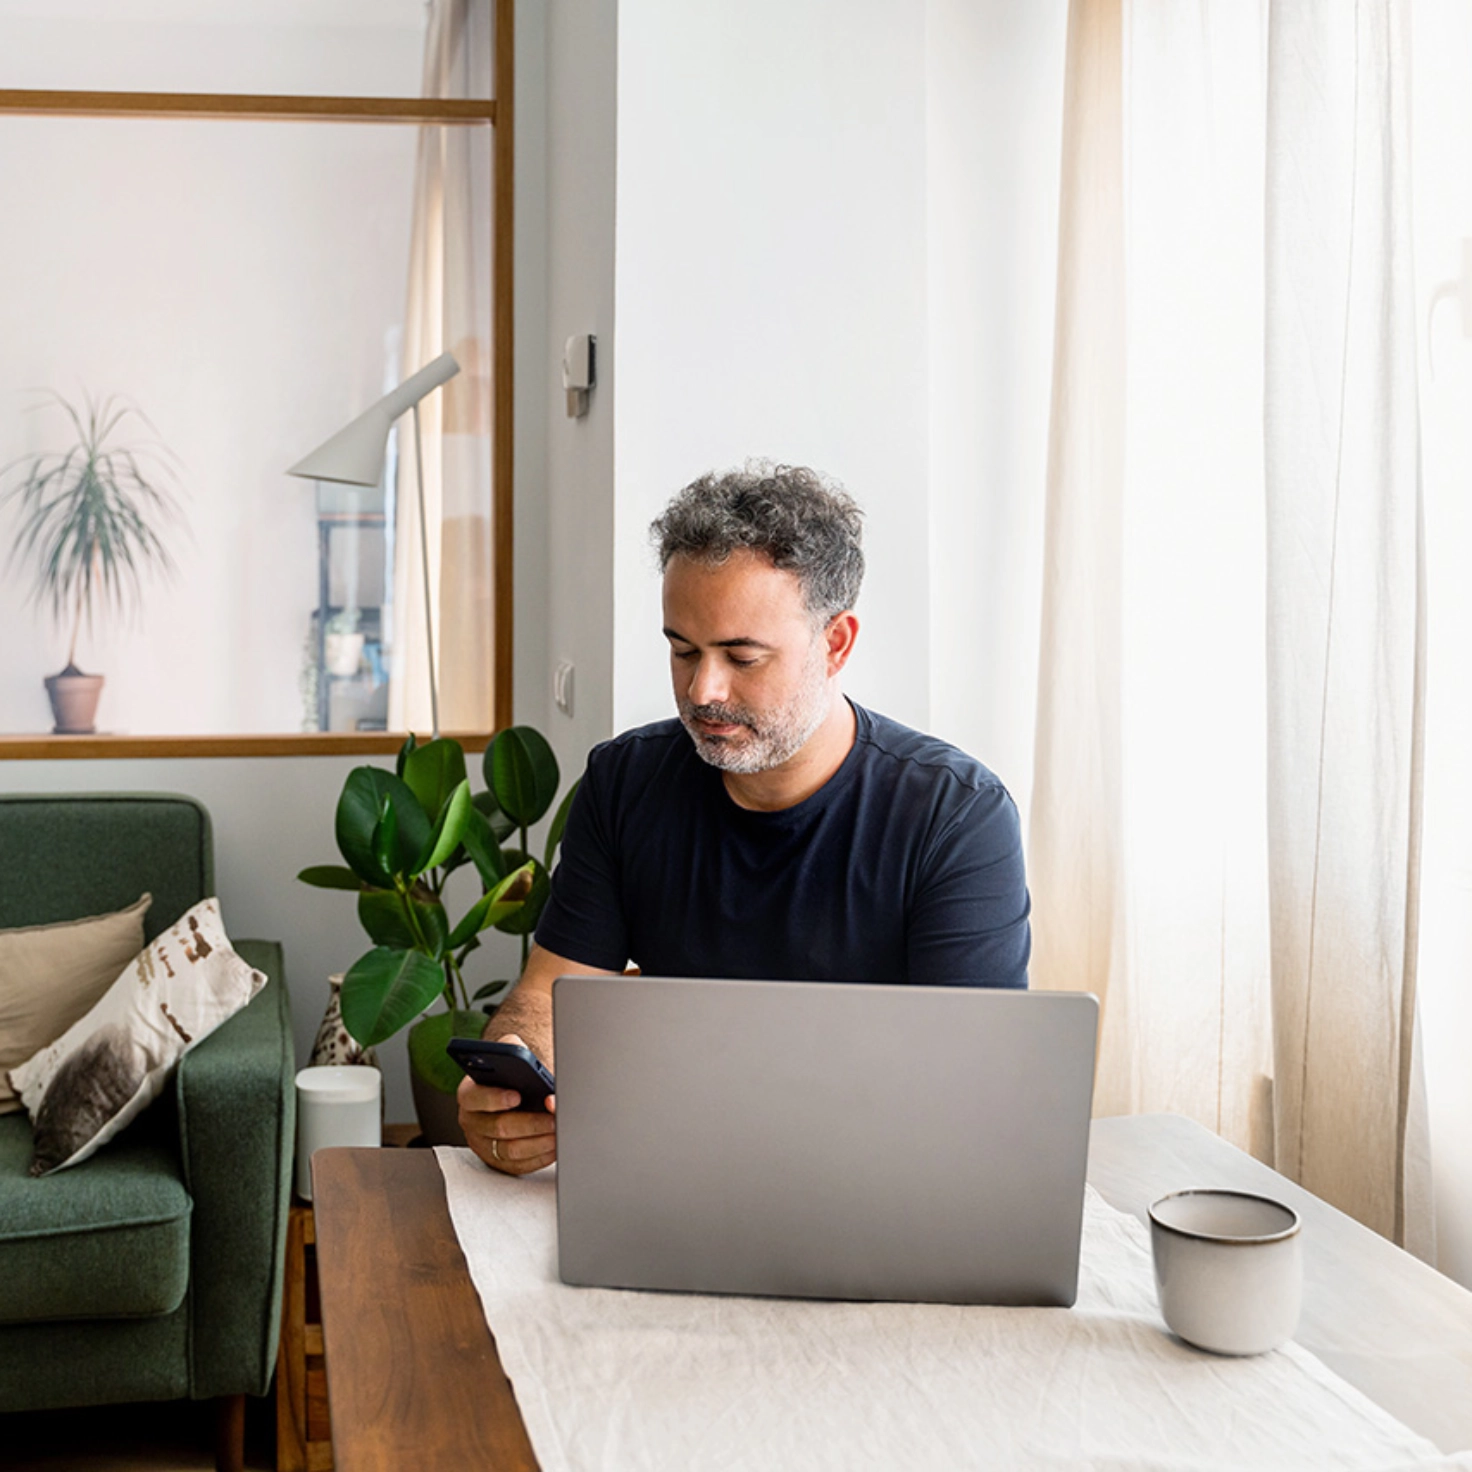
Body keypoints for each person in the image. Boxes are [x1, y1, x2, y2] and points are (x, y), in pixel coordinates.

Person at [459, 463, 1031, 1174]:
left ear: (837, 644)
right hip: (676, 1170)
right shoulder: (625, 782)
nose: (704, 690)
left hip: (874, 1180)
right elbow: (551, 990)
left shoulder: (955, 818)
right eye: (682, 650)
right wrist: (512, 1074)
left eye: (742, 656)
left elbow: (969, 1092)